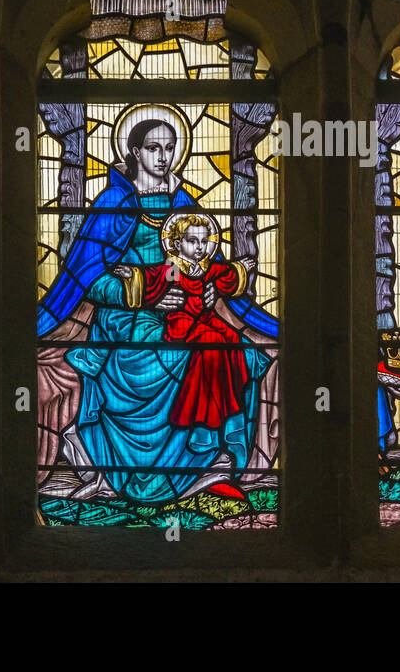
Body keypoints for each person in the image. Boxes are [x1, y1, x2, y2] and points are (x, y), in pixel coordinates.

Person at [36, 110, 276, 505]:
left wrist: (213, 291)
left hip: (187, 311)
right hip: (125, 319)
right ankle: (111, 460)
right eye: (153, 148)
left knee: (228, 347)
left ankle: (206, 458)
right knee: (171, 353)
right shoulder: (113, 203)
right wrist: (144, 296)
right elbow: (88, 279)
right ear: (134, 151)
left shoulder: (184, 201)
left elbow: (205, 259)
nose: (163, 157)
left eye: (169, 148)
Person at [118, 212, 254, 430]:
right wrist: (134, 276)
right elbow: (156, 277)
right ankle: (204, 420)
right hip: (182, 323)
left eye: (203, 241)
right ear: (177, 243)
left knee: (232, 337)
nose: (199, 247)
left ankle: (232, 404)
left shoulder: (207, 268)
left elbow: (227, 275)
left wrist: (241, 270)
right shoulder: (174, 268)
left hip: (204, 318)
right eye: (192, 241)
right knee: (213, 339)